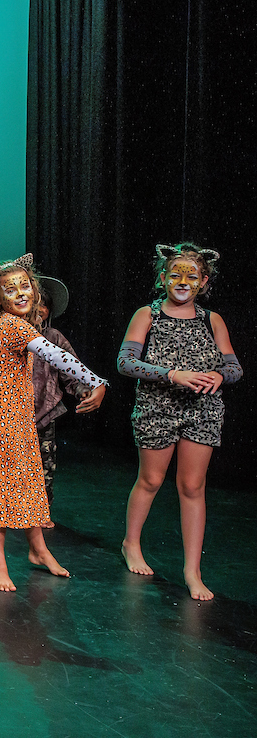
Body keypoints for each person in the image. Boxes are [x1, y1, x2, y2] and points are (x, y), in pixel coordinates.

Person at [0, 254, 107, 592]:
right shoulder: (12, 325)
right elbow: (57, 356)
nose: (20, 293)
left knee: (32, 487)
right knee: (2, 494)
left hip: (18, 419)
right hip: (1, 420)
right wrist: (98, 382)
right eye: (9, 289)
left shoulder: (18, 325)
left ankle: (39, 551)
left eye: (25, 286)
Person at [117, 243, 241, 601]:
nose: (183, 282)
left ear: (203, 281)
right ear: (163, 278)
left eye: (191, 276)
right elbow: (126, 363)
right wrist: (172, 374)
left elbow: (234, 367)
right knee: (152, 479)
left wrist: (220, 376)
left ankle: (192, 569)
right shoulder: (148, 314)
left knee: (192, 486)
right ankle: (131, 543)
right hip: (158, 406)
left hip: (203, 409)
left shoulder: (211, 319)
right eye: (176, 274)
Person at [31, 276, 89, 528]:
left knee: (45, 465)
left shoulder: (53, 337)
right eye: (35, 302)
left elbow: (71, 369)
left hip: (44, 413)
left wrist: (83, 389)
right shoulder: (9, 334)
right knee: (12, 468)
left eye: (44, 305)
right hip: (11, 414)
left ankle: (42, 511)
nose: (38, 309)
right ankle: (11, 511)